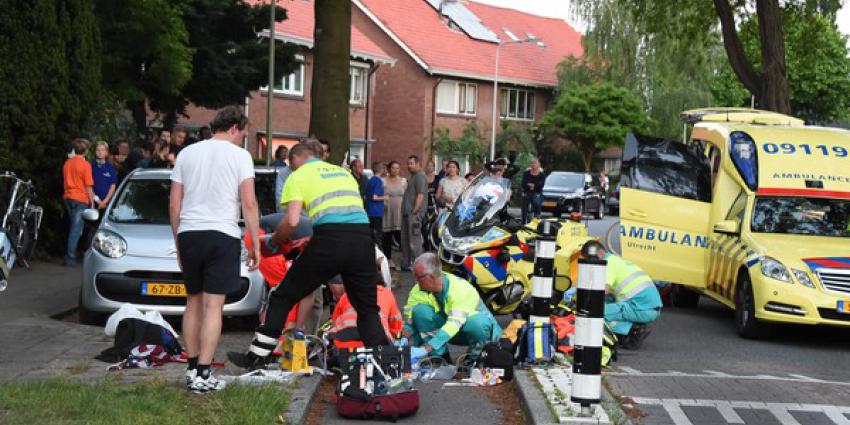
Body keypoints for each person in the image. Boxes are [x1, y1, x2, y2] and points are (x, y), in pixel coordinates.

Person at [229, 142, 389, 370]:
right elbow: (344, 215)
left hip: (329, 241)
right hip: (362, 241)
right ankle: (385, 367)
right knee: (367, 309)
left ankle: (257, 357)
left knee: (282, 296)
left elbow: (292, 221)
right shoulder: (344, 173)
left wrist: (274, 243)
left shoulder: (298, 175)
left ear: (294, 159)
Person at [169, 106, 261, 393]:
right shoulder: (240, 156)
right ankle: (204, 373)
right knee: (213, 306)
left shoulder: (186, 153)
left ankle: (191, 367)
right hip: (222, 234)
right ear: (234, 127)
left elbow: (174, 203)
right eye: (243, 133)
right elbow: (248, 203)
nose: (242, 138)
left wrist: (178, 241)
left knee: (192, 302)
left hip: (189, 233)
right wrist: (255, 242)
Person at [404, 253, 502, 360]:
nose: (416, 280)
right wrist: (401, 338)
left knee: (476, 323)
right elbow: (410, 321)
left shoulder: (459, 288)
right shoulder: (418, 289)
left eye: (418, 277)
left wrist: (426, 348)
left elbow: (454, 324)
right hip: (449, 332)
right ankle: (439, 358)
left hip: (473, 332)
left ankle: (474, 358)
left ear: (430, 277)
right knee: (420, 312)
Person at [580, 240, 662, 350]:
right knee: (606, 303)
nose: (589, 262)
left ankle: (634, 330)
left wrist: (581, 296)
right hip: (647, 306)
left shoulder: (607, 264)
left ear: (601, 252)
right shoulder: (616, 260)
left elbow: (603, 290)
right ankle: (629, 330)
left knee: (595, 312)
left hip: (642, 308)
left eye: (589, 258)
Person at [327, 247, 402, 350]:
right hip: (376, 342)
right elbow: (396, 324)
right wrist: (393, 334)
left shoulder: (347, 295)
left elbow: (335, 320)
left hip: (343, 340)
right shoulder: (387, 294)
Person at [62, 138, 95, 266]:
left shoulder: (67, 163)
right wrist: (92, 202)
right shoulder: (86, 165)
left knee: (72, 228)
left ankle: (69, 254)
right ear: (86, 151)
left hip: (67, 197)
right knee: (76, 229)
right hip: (80, 198)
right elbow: (88, 186)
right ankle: (70, 257)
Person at [400, 156, 427, 270]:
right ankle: (406, 264)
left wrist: (415, 211)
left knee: (414, 241)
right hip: (407, 213)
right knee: (405, 240)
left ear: (418, 163)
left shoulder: (420, 176)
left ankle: (419, 266)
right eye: (408, 163)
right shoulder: (413, 176)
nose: (409, 166)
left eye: (411, 163)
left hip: (414, 214)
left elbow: (420, 194)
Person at [382, 161, 405, 269]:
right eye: (393, 168)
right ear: (389, 169)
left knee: (400, 235)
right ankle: (388, 259)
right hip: (387, 211)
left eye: (397, 168)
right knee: (387, 236)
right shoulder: (383, 181)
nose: (395, 170)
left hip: (399, 211)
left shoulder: (403, 181)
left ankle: (405, 259)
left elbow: (406, 196)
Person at [91, 141, 118, 212]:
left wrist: (105, 201)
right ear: (95, 152)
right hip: (93, 202)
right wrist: (98, 201)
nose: (100, 152)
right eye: (98, 150)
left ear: (106, 152)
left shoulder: (110, 167)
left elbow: (113, 186)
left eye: (103, 150)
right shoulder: (90, 166)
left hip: (108, 203)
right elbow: (88, 186)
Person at [365, 162, 387, 245]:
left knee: (371, 234)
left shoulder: (371, 180)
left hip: (369, 211)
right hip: (376, 212)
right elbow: (375, 197)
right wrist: (385, 197)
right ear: (381, 170)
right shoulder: (378, 181)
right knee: (377, 236)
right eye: (384, 168)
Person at [521, 158, 545, 223]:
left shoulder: (541, 175)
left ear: (539, 164)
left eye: (535, 163)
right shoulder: (526, 173)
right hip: (527, 193)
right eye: (532, 163)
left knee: (537, 202)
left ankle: (536, 220)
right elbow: (523, 184)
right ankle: (524, 222)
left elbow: (541, 185)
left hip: (537, 193)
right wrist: (533, 185)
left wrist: (532, 185)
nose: (533, 164)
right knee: (525, 209)